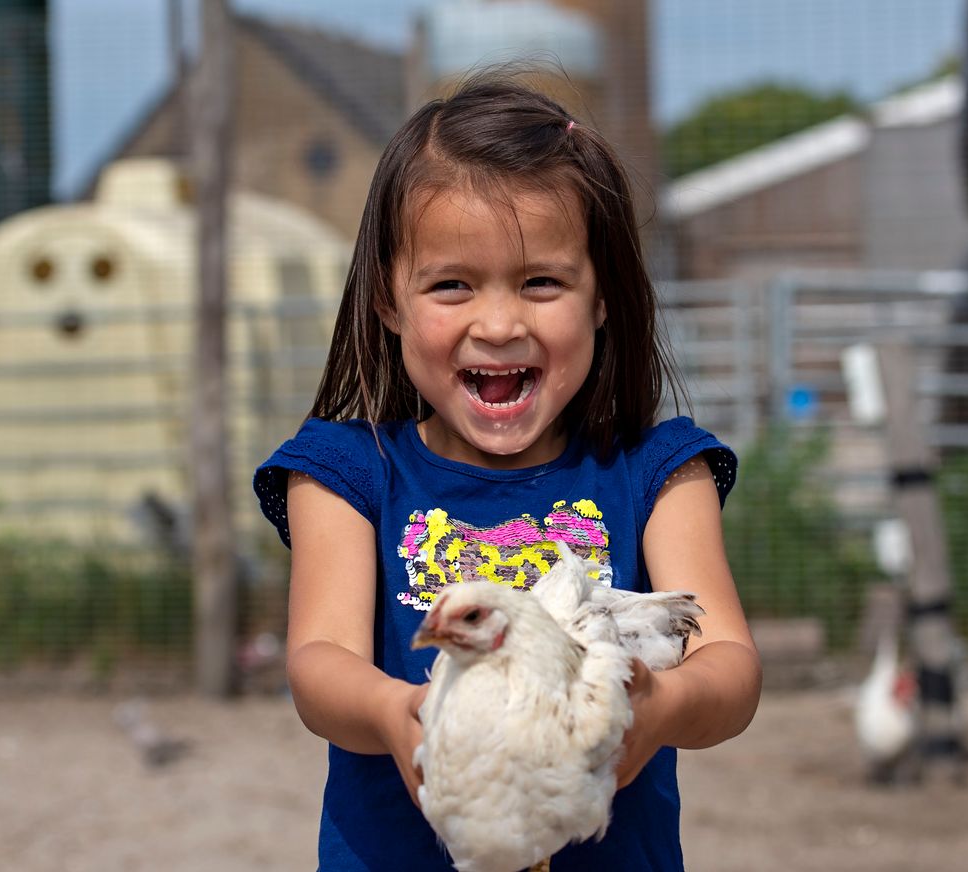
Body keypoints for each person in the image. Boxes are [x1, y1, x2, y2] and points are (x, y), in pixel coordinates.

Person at [252, 72, 761, 870]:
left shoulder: (658, 472)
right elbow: (318, 660)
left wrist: (659, 706)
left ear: (602, 297)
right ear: (388, 299)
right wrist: (396, 713)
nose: (497, 323)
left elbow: (730, 666)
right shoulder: (348, 473)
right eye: (451, 284)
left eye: (541, 282)